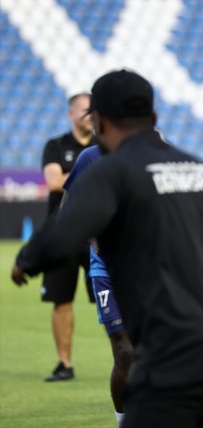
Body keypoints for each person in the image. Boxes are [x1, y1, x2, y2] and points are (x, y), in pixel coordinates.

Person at [12, 69, 203, 428]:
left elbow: (62, 235)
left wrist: (26, 261)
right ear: (154, 119)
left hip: (170, 358)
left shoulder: (112, 171)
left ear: (98, 122)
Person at [63, 145, 133, 427]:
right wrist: (92, 236)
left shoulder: (156, 153)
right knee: (125, 352)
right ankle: (123, 421)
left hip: (150, 268)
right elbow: (67, 209)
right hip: (106, 269)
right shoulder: (89, 158)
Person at [40, 92, 96, 381]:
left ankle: (130, 359)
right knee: (61, 299)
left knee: (116, 298)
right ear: (71, 114)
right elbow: (53, 183)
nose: (90, 115)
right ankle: (65, 364)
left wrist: (71, 178)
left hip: (98, 237)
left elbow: (64, 180)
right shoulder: (56, 145)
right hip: (62, 233)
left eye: (93, 110)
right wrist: (97, 177)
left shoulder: (104, 145)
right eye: (85, 110)